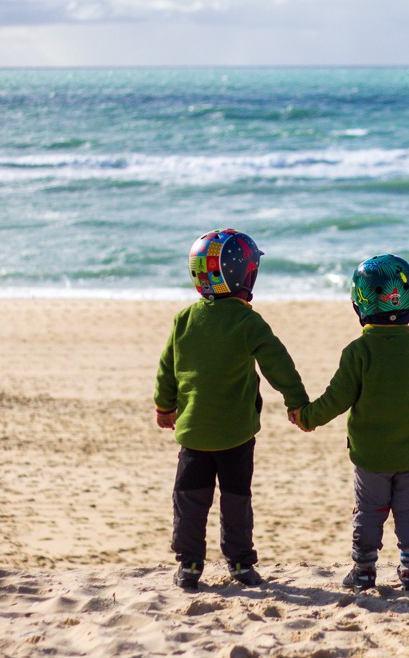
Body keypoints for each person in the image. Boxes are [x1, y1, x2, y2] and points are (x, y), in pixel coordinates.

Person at [289, 254, 409, 593]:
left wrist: (307, 418)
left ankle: (363, 570)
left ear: (358, 304)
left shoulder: (358, 351)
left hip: (370, 457)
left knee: (368, 511)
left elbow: (337, 398)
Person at [155, 228, 308, 590]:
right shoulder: (247, 322)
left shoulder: (184, 320)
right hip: (237, 435)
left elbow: (167, 367)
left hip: (193, 434)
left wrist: (165, 407)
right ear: (245, 275)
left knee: (189, 501)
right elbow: (278, 365)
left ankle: (189, 565)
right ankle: (240, 563)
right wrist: (297, 402)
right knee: (236, 501)